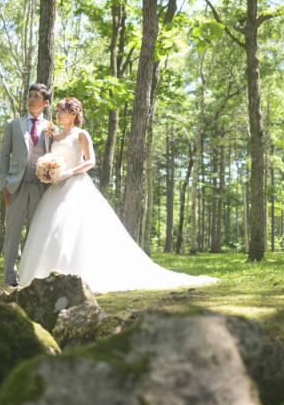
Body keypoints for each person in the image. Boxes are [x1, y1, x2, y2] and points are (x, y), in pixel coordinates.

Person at [19, 97, 218, 293]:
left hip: (75, 184)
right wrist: (48, 171)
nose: (58, 114)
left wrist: (69, 172)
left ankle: (77, 276)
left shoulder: (81, 135)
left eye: (61, 111)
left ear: (72, 114)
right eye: (57, 111)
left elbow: (91, 161)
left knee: (74, 231)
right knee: (52, 231)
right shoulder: (54, 137)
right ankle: (47, 277)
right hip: (56, 189)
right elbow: (50, 157)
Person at [0, 83, 54, 286]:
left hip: (41, 188)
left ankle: (31, 278)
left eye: (36, 96)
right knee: (12, 234)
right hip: (15, 187)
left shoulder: (51, 128)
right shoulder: (14, 124)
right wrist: (3, 184)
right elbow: (3, 156)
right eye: (30, 95)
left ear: (45, 103)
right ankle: (9, 281)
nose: (31, 99)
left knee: (36, 234)